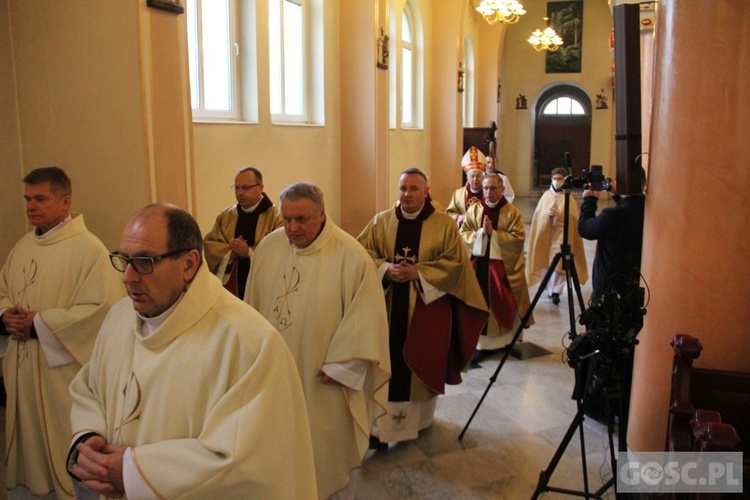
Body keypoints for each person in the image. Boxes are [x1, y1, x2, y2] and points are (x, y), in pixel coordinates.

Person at [67, 203, 317, 499]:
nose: (128, 277)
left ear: (188, 264)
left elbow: (247, 462)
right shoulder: (119, 317)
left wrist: (133, 471)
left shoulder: (249, 343)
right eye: (124, 259)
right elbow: (91, 388)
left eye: (144, 261)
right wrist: (89, 436)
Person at [245, 182, 390, 499]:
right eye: (286, 219)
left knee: (323, 455)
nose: (292, 228)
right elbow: (250, 310)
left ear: (322, 215)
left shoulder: (350, 256)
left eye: (301, 220)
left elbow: (364, 320)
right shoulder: (269, 248)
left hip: (321, 380)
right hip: (274, 374)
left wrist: (343, 367)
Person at [0, 166, 123, 499]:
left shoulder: (89, 249)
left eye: (40, 198)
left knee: (61, 450)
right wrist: (6, 315)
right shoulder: (23, 247)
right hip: (23, 370)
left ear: (65, 201)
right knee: (28, 453)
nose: (30, 206)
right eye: (27, 199)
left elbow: (102, 311)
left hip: (61, 375)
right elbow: (5, 291)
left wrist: (39, 323)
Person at [357, 168, 488, 444]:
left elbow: (456, 264)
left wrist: (419, 273)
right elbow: (361, 253)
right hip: (389, 308)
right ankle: (381, 429)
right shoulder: (381, 222)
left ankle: (419, 422)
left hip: (426, 311)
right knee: (387, 361)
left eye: (414, 189)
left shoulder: (443, 224)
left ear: (426, 192)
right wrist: (384, 268)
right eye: (403, 188)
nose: (407, 194)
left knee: (420, 361)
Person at [577, 177, 645, 425]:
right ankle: (623, 405)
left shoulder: (612, 216)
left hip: (607, 292)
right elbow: (630, 203)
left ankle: (597, 406)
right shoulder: (645, 210)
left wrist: (589, 199)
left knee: (601, 346)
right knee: (625, 350)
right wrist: (622, 192)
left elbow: (585, 228)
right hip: (632, 291)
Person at [459, 173, 532, 353]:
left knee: (502, 298)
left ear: (502, 190)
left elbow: (518, 239)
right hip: (478, 265)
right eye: (485, 188)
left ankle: (502, 341)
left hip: (501, 268)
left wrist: (495, 235)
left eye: (492, 188)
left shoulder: (511, 212)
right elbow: (463, 233)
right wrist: (480, 235)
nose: (488, 192)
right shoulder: (475, 209)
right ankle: (478, 342)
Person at [203, 166, 282, 298]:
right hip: (233, 288)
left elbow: (279, 251)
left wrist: (249, 252)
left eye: (245, 188)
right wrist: (230, 252)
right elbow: (211, 245)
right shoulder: (226, 216)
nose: (239, 193)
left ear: (261, 188)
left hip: (264, 289)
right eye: (236, 187)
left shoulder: (276, 216)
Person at [526, 167, 588, 305]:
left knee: (560, 263)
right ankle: (548, 288)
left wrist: (560, 215)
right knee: (546, 259)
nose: (556, 181)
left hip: (562, 234)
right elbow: (538, 216)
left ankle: (556, 291)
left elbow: (573, 218)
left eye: (559, 179)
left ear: (564, 180)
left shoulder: (569, 198)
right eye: (554, 179)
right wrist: (547, 215)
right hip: (546, 234)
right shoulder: (546, 196)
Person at [446, 146, 486, 226]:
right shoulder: (458, 194)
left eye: (478, 176)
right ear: (467, 177)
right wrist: (459, 217)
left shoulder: (487, 193)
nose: (475, 179)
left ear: (483, 177)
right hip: (463, 231)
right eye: (472, 176)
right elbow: (449, 212)